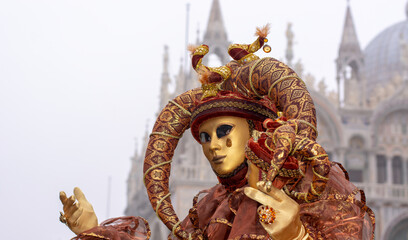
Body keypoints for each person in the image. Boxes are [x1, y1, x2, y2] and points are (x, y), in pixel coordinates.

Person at [60, 25, 375, 239]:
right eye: (204, 138)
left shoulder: (309, 188)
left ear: (254, 130)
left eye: (224, 132)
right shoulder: (210, 208)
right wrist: (92, 230)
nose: (212, 146)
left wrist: (297, 234)